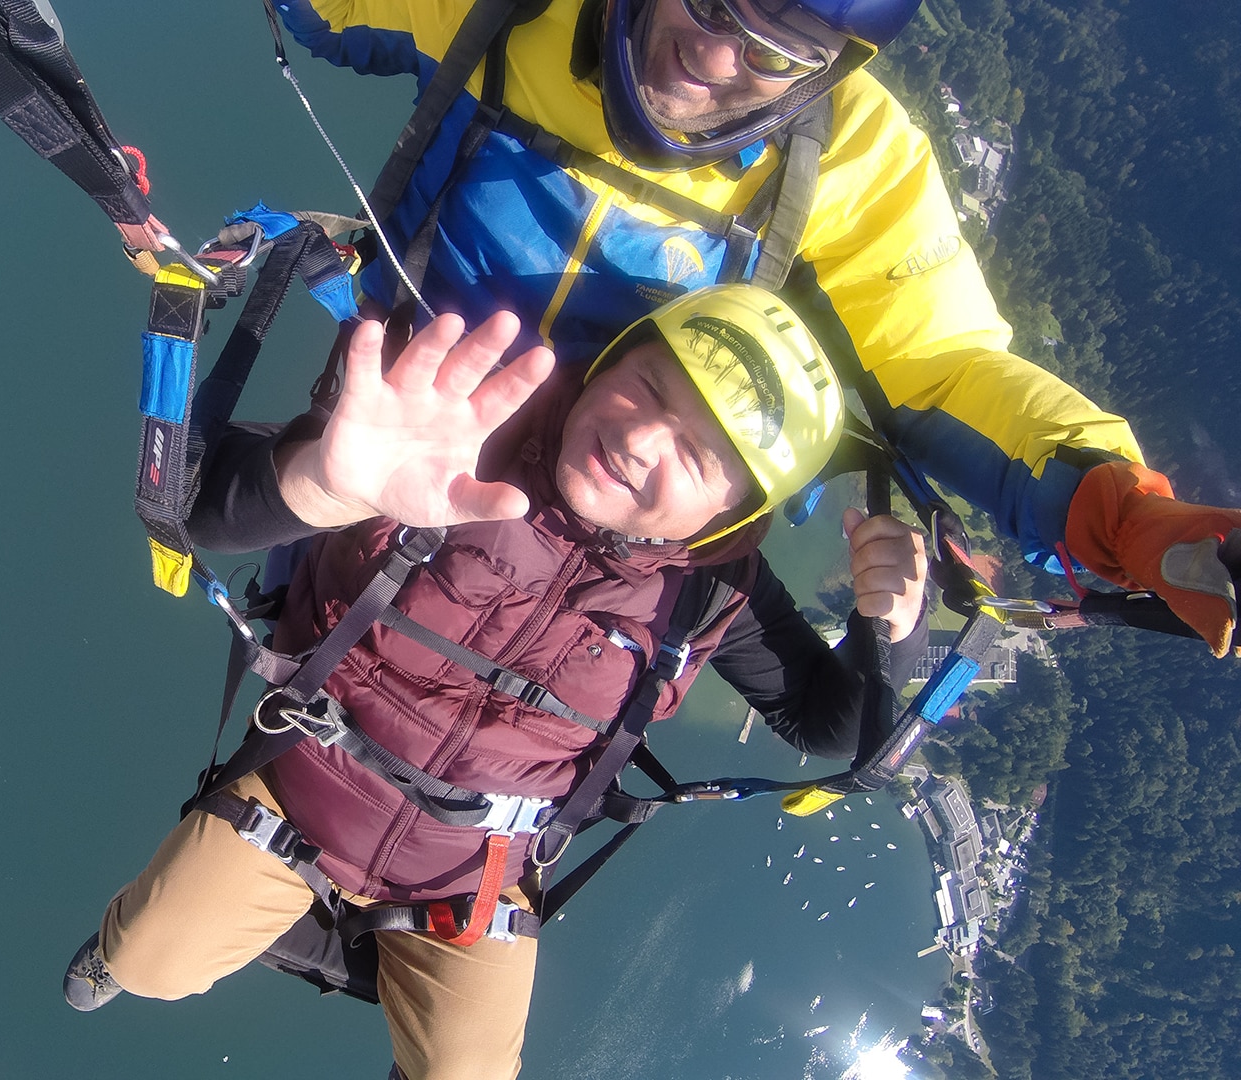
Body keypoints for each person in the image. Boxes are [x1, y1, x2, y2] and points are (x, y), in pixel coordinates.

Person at [62, 284, 931, 1079]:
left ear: (730, 516)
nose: (640, 442)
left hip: (468, 873)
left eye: (700, 459)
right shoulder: (461, 428)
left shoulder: (705, 590)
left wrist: (889, 633)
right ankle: (120, 952)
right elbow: (198, 501)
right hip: (304, 798)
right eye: (650, 389)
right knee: (149, 960)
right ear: (607, 362)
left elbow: (832, 730)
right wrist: (323, 483)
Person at [266, 0, 1241, 656]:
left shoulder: (850, 159)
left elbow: (940, 366)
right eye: (713, 1)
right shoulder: (520, 11)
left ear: (836, 64)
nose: (713, 57)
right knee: (295, 639)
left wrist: (1123, 519)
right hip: (388, 441)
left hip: (593, 537)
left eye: (776, 47)